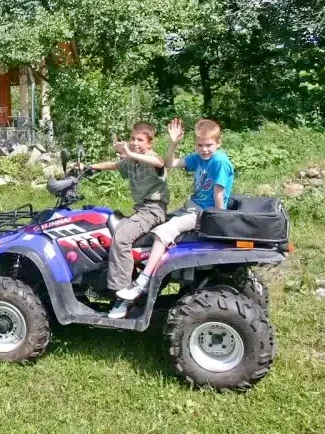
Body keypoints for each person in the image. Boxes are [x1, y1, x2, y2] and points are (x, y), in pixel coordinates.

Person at [116, 118, 234, 304]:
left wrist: (220, 225)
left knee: (163, 232)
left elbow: (219, 195)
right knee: (159, 225)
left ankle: (143, 281)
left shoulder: (219, 161)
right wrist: (173, 142)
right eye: (199, 145)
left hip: (205, 212)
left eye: (209, 145)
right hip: (192, 207)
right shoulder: (199, 157)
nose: (204, 149)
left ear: (219, 143)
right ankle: (158, 272)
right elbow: (169, 163)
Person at [87, 123, 170, 319]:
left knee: (122, 237)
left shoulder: (151, 160)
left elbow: (159, 162)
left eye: (140, 140)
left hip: (153, 210)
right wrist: (89, 168)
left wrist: (130, 154)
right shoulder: (131, 163)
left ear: (150, 143)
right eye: (132, 139)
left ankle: (122, 296)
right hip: (141, 210)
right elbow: (113, 165)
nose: (134, 143)